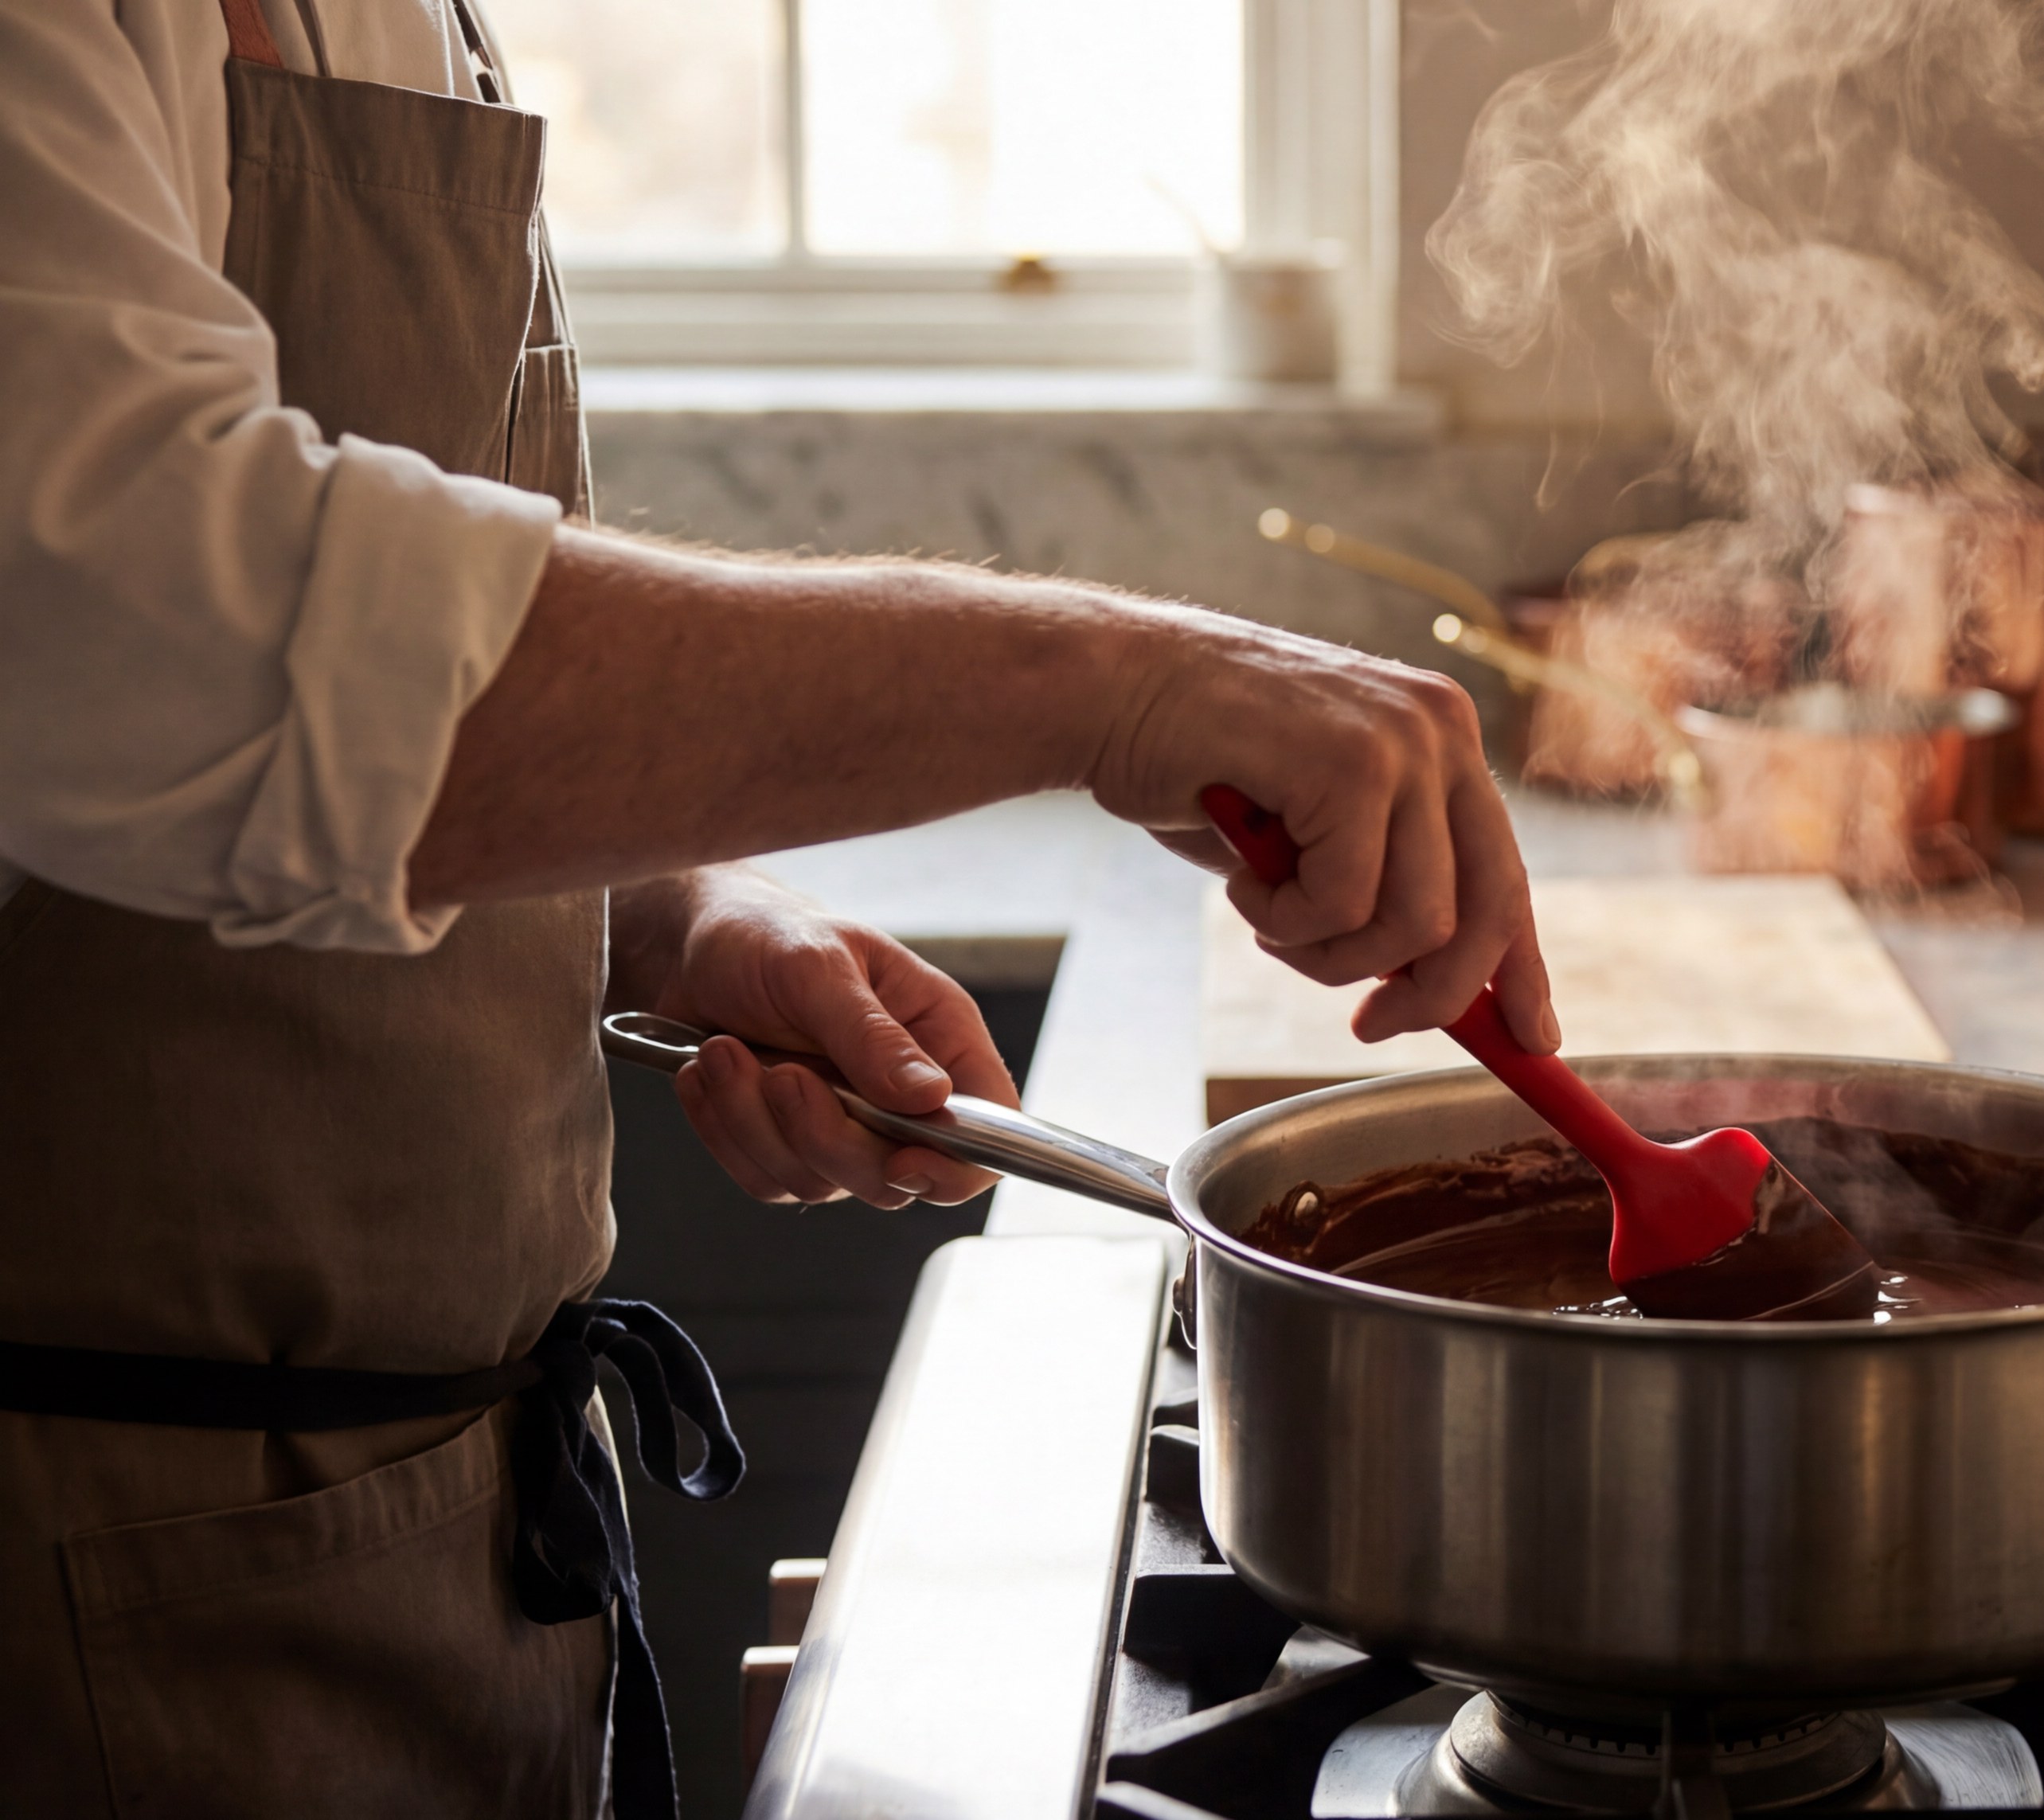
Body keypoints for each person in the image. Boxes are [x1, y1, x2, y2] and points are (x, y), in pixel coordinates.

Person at [0, 0, 1559, 1814]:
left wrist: (669, 919)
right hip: (93, 1583)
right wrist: (1109, 687)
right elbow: (151, 637)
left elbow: (363, 723)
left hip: (432, 1540)